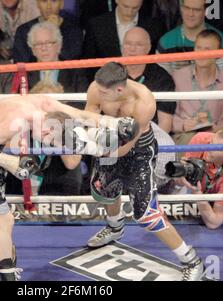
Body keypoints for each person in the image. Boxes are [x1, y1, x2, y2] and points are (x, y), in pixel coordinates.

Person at [0, 94, 140, 280]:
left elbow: (78, 114)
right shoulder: (18, 121)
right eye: (49, 138)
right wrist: (10, 162)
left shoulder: (47, 105)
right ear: (48, 127)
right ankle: (8, 277)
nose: (46, 143)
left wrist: (113, 122)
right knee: (4, 218)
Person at [84, 62, 205, 281]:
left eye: (103, 92)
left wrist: (96, 149)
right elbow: (89, 115)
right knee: (106, 190)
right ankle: (115, 228)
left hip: (137, 150)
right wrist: (89, 136)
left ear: (119, 89)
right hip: (110, 141)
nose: (98, 92)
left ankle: (191, 260)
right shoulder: (97, 87)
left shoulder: (143, 101)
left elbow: (127, 146)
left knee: (146, 213)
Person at [179, 125, 223, 229]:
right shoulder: (201, 139)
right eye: (211, 142)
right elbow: (183, 178)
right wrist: (181, 175)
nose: (209, 148)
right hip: (196, 195)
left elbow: (213, 223)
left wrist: (197, 193)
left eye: (216, 147)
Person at [156, 0, 223, 77]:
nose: (191, 14)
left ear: (205, 11)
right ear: (181, 8)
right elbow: (163, 82)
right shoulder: (166, 42)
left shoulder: (222, 42)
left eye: (196, 10)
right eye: (187, 8)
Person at [122, 26, 176, 133]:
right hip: (116, 136)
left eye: (138, 44)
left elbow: (165, 124)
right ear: (122, 47)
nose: (132, 49)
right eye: (128, 44)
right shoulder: (110, 73)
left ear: (148, 48)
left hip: (151, 136)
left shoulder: (162, 78)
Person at [13, 0, 83, 63]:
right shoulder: (23, 30)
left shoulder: (74, 29)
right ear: (38, 4)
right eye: (44, 1)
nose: (49, 7)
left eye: (54, 1)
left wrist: (55, 31)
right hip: (34, 76)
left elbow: (73, 60)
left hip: (65, 76)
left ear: (61, 4)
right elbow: (21, 63)